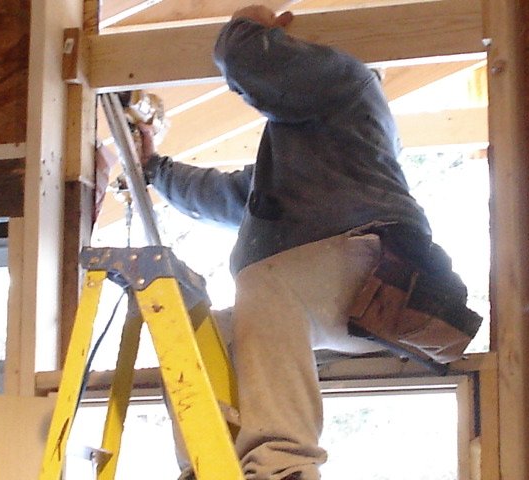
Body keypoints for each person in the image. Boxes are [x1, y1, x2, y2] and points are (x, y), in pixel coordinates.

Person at [137, 5, 438, 479]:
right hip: (336, 293)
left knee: (266, 284)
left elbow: (245, 55)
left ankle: (282, 466)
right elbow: (229, 196)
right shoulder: (306, 154)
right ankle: (209, 463)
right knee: (207, 334)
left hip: (384, 277)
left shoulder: (349, 83)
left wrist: (250, 21)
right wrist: (156, 169)